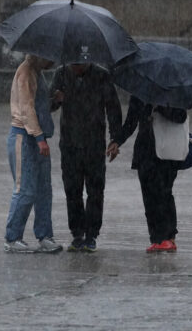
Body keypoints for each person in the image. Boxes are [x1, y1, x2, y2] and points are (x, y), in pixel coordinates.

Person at [50, 63, 122, 252]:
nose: (78, 67)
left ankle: (91, 235)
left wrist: (115, 139)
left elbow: (113, 108)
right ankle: (77, 233)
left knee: (95, 190)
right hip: (70, 144)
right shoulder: (61, 74)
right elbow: (48, 105)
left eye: (81, 63)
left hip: (94, 144)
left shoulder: (102, 75)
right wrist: (56, 100)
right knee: (72, 190)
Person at [108, 95, 187, 253]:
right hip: (145, 150)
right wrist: (117, 141)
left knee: (164, 192)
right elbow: (131, 122)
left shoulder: (172, 92)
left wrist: (161, 107)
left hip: (167, 151)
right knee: (149, 196)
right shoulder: (140, 93)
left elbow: (181, 116)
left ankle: (169, 236)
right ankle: (156, 238)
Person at [3, 54, 63, 254]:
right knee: (25, 189)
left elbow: (40, 107)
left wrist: (54, 102)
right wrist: (38, 137)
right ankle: (12, 238)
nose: (53, 62)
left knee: (44, 190)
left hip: (39, 138)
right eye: (50, 58)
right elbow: (26, 109)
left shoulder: (37, 72)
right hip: (24, 137)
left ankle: (45, 235)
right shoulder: (26, 72)